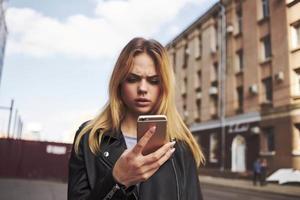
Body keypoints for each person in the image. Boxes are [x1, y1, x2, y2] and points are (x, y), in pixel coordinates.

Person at [68, 37, 205, 200]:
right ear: (119, 82)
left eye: (154, 81)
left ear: (164, 87)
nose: (143, 89)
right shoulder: (90, 138)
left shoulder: (181, 147)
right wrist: (117, 180)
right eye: (132, 79)